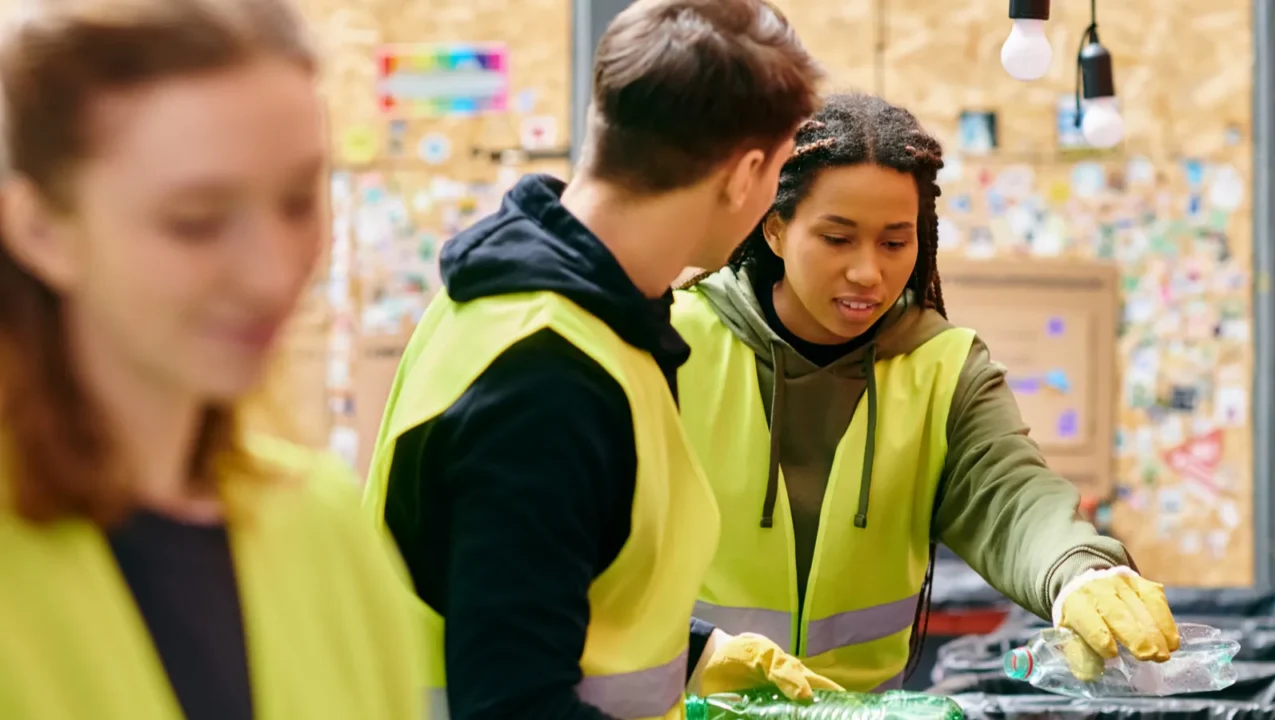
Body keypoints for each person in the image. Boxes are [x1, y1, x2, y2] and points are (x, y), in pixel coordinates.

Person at [361, 1, 842, 718]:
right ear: (743, 174)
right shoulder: (547, 378)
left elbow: (534, 585)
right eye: (780, 169)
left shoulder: (545, 308)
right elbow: (513, 702)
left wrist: (691, 650)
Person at [672, 92, 1179, 693]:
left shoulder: (943, 366)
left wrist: (1079, 571)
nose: (869, 272)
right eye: (838, 239)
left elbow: (1011, 492)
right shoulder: (674, 342)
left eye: (894, 242)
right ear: (776, 229)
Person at [0, 1, 419, 718]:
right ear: (42, 229)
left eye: (297, 202)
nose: (271, 272)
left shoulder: (325, 528)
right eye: (194, 223)